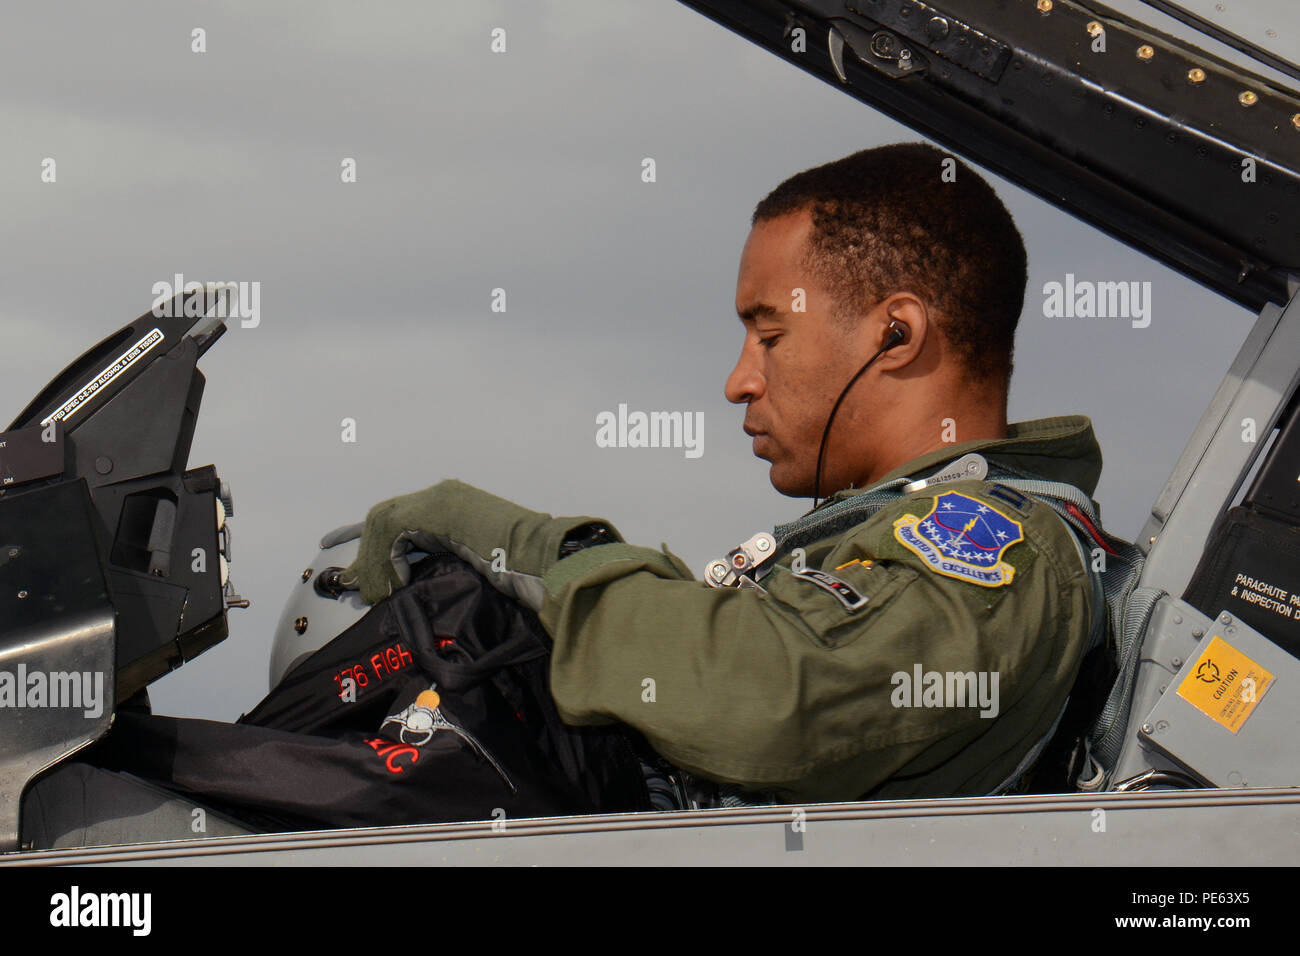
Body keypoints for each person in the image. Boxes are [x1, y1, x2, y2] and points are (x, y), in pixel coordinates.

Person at [340, 142, 1108, 804]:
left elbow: (774, 696)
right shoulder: (892, 535)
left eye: (769, 335)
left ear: (895, 334)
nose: (739, 381)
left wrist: (530, 549)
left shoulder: (997, 546)